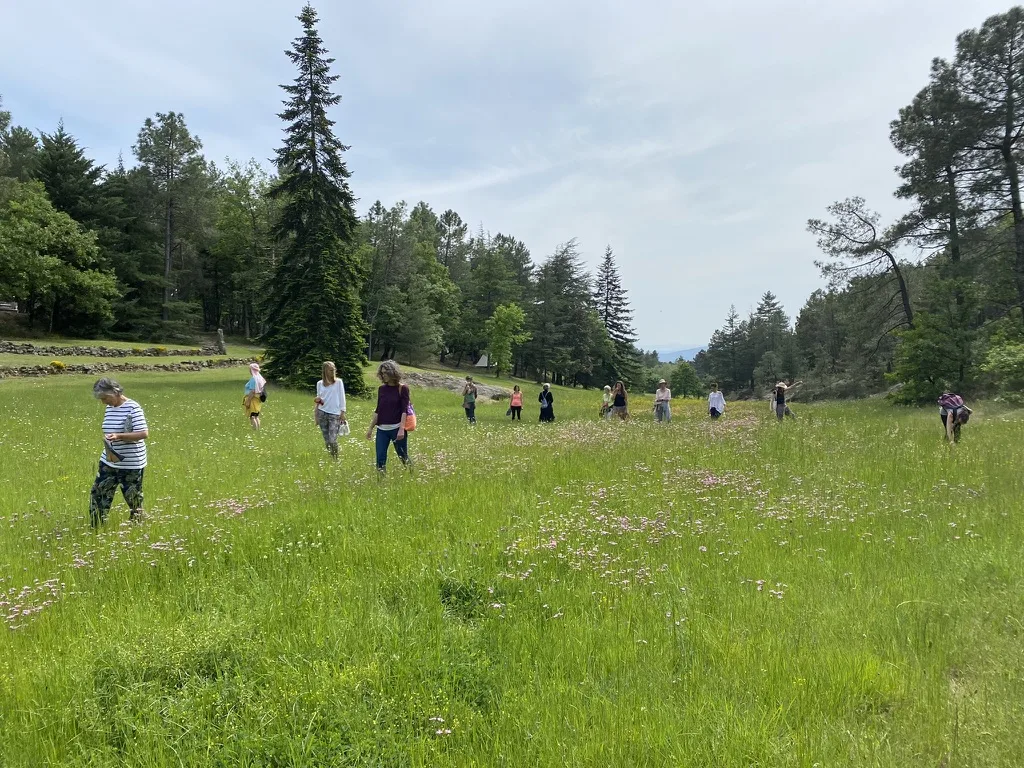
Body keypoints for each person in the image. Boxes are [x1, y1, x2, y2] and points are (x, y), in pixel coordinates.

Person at [89, 378, 149, 527]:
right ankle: (96, 527)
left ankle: (138, 526)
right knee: (98, 494)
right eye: (101, 399)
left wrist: (119, 436)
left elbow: (143, 433)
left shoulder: (133, 408)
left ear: (115, 392)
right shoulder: (110, 408)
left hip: (131, 463)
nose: (103, 402)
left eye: (105, 398)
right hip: (108, 460)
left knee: (133, 498)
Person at [366, 360, 411, 472]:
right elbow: (378, 410)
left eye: (385, 372)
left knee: (403, 456)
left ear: (392, 372)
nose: (383, 375)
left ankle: (411, 473)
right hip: (382, 430)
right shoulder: (382, 389)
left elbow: (404, 410)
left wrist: (401, 429)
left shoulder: (403, 388)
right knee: (380, 458)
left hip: (396, 429)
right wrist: (370, 428)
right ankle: (381, 483)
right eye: (382, 373)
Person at [314, 361, 347, 459]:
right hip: (322, 413)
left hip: (334, 414)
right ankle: (331, 457)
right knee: (327, 440)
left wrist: (343, 412)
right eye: (330, 369)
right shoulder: (319, 383)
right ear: (325, 371)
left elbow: (342, 397)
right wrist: (316, 414)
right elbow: (319, 399)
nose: (333, 371)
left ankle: (336, 458)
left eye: (334, 369)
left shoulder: (338, 382)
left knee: (333, 440)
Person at [243, 362, 266, 430]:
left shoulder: (254, 379)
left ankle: (255, 431)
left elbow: (252, 391)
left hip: (253, 399)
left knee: (252, 416)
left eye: (250, 369)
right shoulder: (260, 378)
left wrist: (248, 401)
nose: (249, 371)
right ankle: (258, 430)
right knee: (256, 415)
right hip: (258, 399)